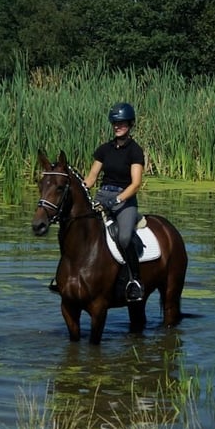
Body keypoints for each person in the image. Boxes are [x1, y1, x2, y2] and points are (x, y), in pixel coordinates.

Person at [83, 102, 145, 302]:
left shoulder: (135, 151)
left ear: (130, 124)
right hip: (102, 195)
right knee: (80, 230)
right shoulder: (104, 149)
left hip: (124, 199)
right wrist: (79, 189)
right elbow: (92, 178)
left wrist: (117, 200)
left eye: (122, 123)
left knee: (124, 238)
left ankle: (134, 281)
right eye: (115, 123)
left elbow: (136, 184)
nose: (118, 126)